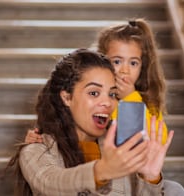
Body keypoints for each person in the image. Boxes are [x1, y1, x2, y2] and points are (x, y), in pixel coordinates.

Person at [7, 49, 184, 195]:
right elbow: (52, 183)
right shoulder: (36, 148)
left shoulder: (117, 146)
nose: (107, 103)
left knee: (173, 190)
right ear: (67, 97)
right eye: (94, 93)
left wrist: (150, 178)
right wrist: (102, 171)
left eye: (113, 94)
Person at [26, 18, 168, 145]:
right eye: (117, 61)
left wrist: (130, 99)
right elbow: (61, 119)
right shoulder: (86, 93)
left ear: (142, 66)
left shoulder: (147, 103)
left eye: (133, 63)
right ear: (102, 60)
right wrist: (39, 137)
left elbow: (157, 141)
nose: (125, 70)